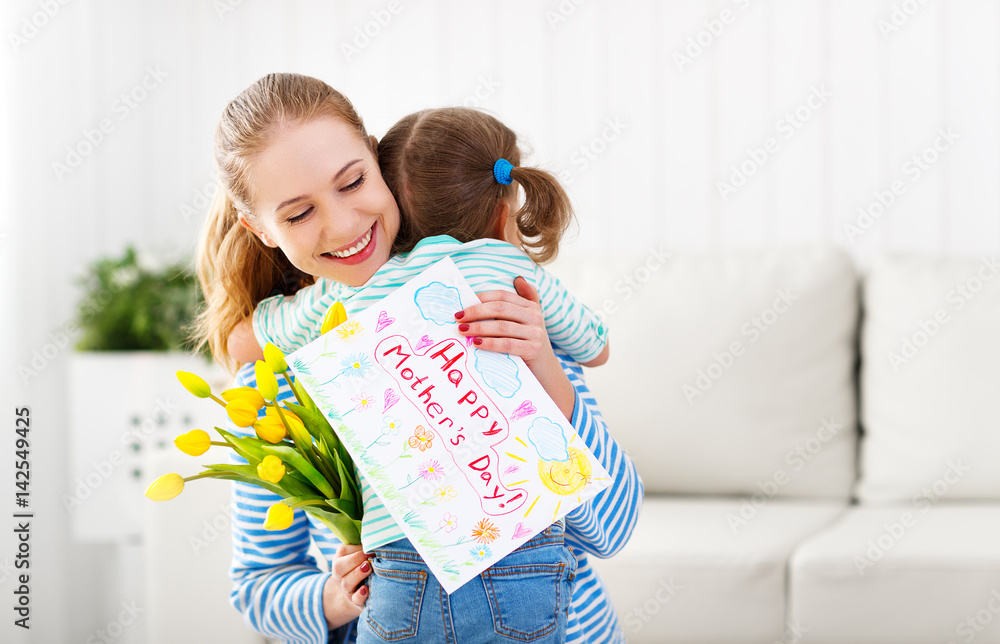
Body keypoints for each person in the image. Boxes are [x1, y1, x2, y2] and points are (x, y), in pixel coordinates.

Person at [193, 73, 642, 643]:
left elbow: (612, 531)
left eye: (352, 182)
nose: (343, 224)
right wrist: (334, 599)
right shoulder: (276, 388)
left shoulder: (498, 317)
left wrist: (546, 374)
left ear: (380, 165)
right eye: (299, 214)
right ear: (260, 228)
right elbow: (258, 585)